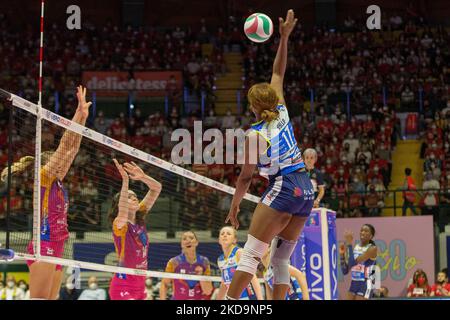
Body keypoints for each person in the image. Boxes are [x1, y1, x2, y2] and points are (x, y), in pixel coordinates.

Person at [225, 10, 314, 300]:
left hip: (285, 187)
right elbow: (278, 71)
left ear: (252, 107)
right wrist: (284, 37)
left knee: (251, 255)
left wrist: (234, 208)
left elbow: (245, 178)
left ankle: (227, 304)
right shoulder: (283, 111)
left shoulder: (254, 135)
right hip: (306, 188)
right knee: (280, 260)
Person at [0, 86, 91, 300]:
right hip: (45, 242)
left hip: (58, 245)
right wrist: (76, 116)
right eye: (58, 162)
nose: (64, 164)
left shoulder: (58, 181)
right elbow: (64, 147)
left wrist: (82, 115)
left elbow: (73, 148)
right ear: (47, 163)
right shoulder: (44, 176)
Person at [108, 159, 162, 300]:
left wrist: (143, 177)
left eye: (135, 196)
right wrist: (125, 181)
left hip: (140, 284)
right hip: (123, 285)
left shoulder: (140, 217)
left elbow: (157, 188)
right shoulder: (119, 225)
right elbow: (123, 213)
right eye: (129, 197)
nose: (135, 198)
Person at [159, 231, 213, 300]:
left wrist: (200, 275)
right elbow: (164, 284)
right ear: (181, 244)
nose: (188, 241)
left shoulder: (204, 262)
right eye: (184, 239)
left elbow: (208, 291)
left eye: (191, 238)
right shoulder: (174, 262)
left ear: (196, 242)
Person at [216, 226, 263, 300]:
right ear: (219, 240)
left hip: (249, 297)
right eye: (222, 234)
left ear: (234, 240)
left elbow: (252, 277)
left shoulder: (239, 253)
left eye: (228, 234)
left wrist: (260, 299)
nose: (225, 235)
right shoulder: (220, 260)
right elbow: (224, 282)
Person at [340, 224, 378, 300]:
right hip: (354, 282)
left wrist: (349, 244)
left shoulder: (372, 249)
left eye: (366, 231)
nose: (363, 232)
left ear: (371, 236)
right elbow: (345, 271)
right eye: (361, 230)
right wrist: (342, 255)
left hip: (366, 283)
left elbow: (353, 263)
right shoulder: (356, 247)